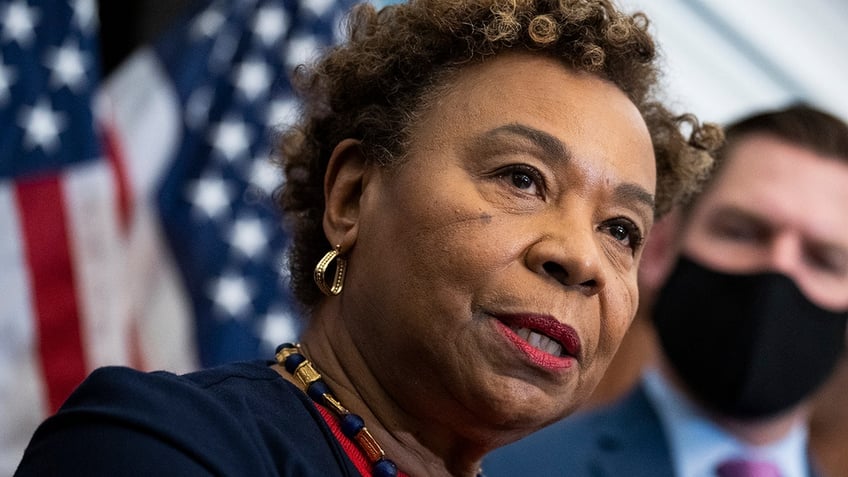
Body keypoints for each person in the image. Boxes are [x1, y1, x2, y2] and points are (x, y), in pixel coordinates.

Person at [13, 0, 719, 475]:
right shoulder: (156, 447)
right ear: (352, 195)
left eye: (621, 228)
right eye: (522, 179)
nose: (579, 255)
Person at [484, 103, 848, 477]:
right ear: (660, 248)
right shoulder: (505, 468)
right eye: (741, 232)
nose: (779, 269)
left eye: (825, 261)